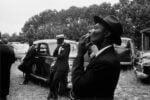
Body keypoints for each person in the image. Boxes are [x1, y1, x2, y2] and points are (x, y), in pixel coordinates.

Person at [71, 15, 123, 100]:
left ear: (106, 33)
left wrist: (80, 54)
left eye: (95, 28)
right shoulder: (105, 55)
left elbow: (78, 88)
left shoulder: (105, 62)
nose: (90, 31)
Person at [47, 34, 70, 100]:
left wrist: (58, 54)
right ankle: (54, 95)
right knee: (52, 79)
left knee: (55, 80)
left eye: (58, 40)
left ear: (61, 40)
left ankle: (52, 93)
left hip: (63, 66)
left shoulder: (67, 45)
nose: (57, 41)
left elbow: (64, 56)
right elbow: (54, 54)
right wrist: (57, 48)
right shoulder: (58, 46)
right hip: (57, 65)